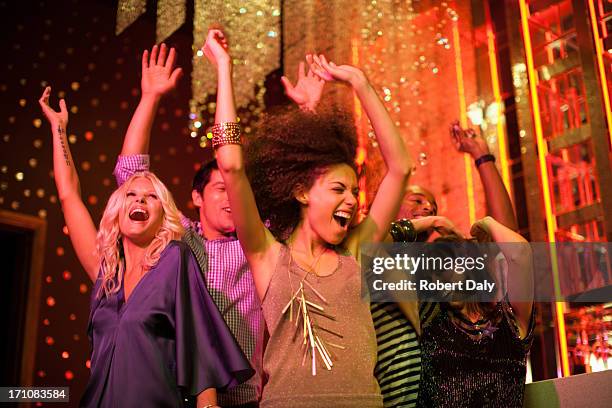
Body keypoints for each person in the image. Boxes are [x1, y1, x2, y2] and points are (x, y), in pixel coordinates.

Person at [205, 29, 413, 407]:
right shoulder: (269, 257)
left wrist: (361, 84)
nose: (351, 200)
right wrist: (223, 68)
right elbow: (231, 165)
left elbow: (400, 167)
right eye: (338, 189)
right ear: (301, 192)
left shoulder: (357, 253)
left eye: (354, 192)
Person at [39, 86, 253, 407]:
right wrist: (58, 129)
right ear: (117, 209)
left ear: (164, 216)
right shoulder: (107, 271)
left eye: (151, 196)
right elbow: (69, 194)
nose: (140, 198)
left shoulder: (175, 260)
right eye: (132, 194)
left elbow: (200, 347)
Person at [112, 43, 264, 407]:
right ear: (196, 198)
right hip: (184, 394)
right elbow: (131, 174)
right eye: (219, 189)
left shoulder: (258, 241)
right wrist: (150, 97)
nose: (230, 197)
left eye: (235, 190)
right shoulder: (180, 239)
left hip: (247, 397)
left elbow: (233, 163)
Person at [373, 123, 518, 407]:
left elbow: (509, 243)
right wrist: (434, 222)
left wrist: (482, 157)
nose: (428, 207)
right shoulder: (370, 255)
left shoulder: (440, 267)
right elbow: (377, 239)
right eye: (417, 200)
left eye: (433, 207)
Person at [417, 216, 534, 407]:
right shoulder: (429, 320)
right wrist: (433, 222)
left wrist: (487, 223)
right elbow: (376, 248)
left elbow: (520, 253)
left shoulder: (509, 323)